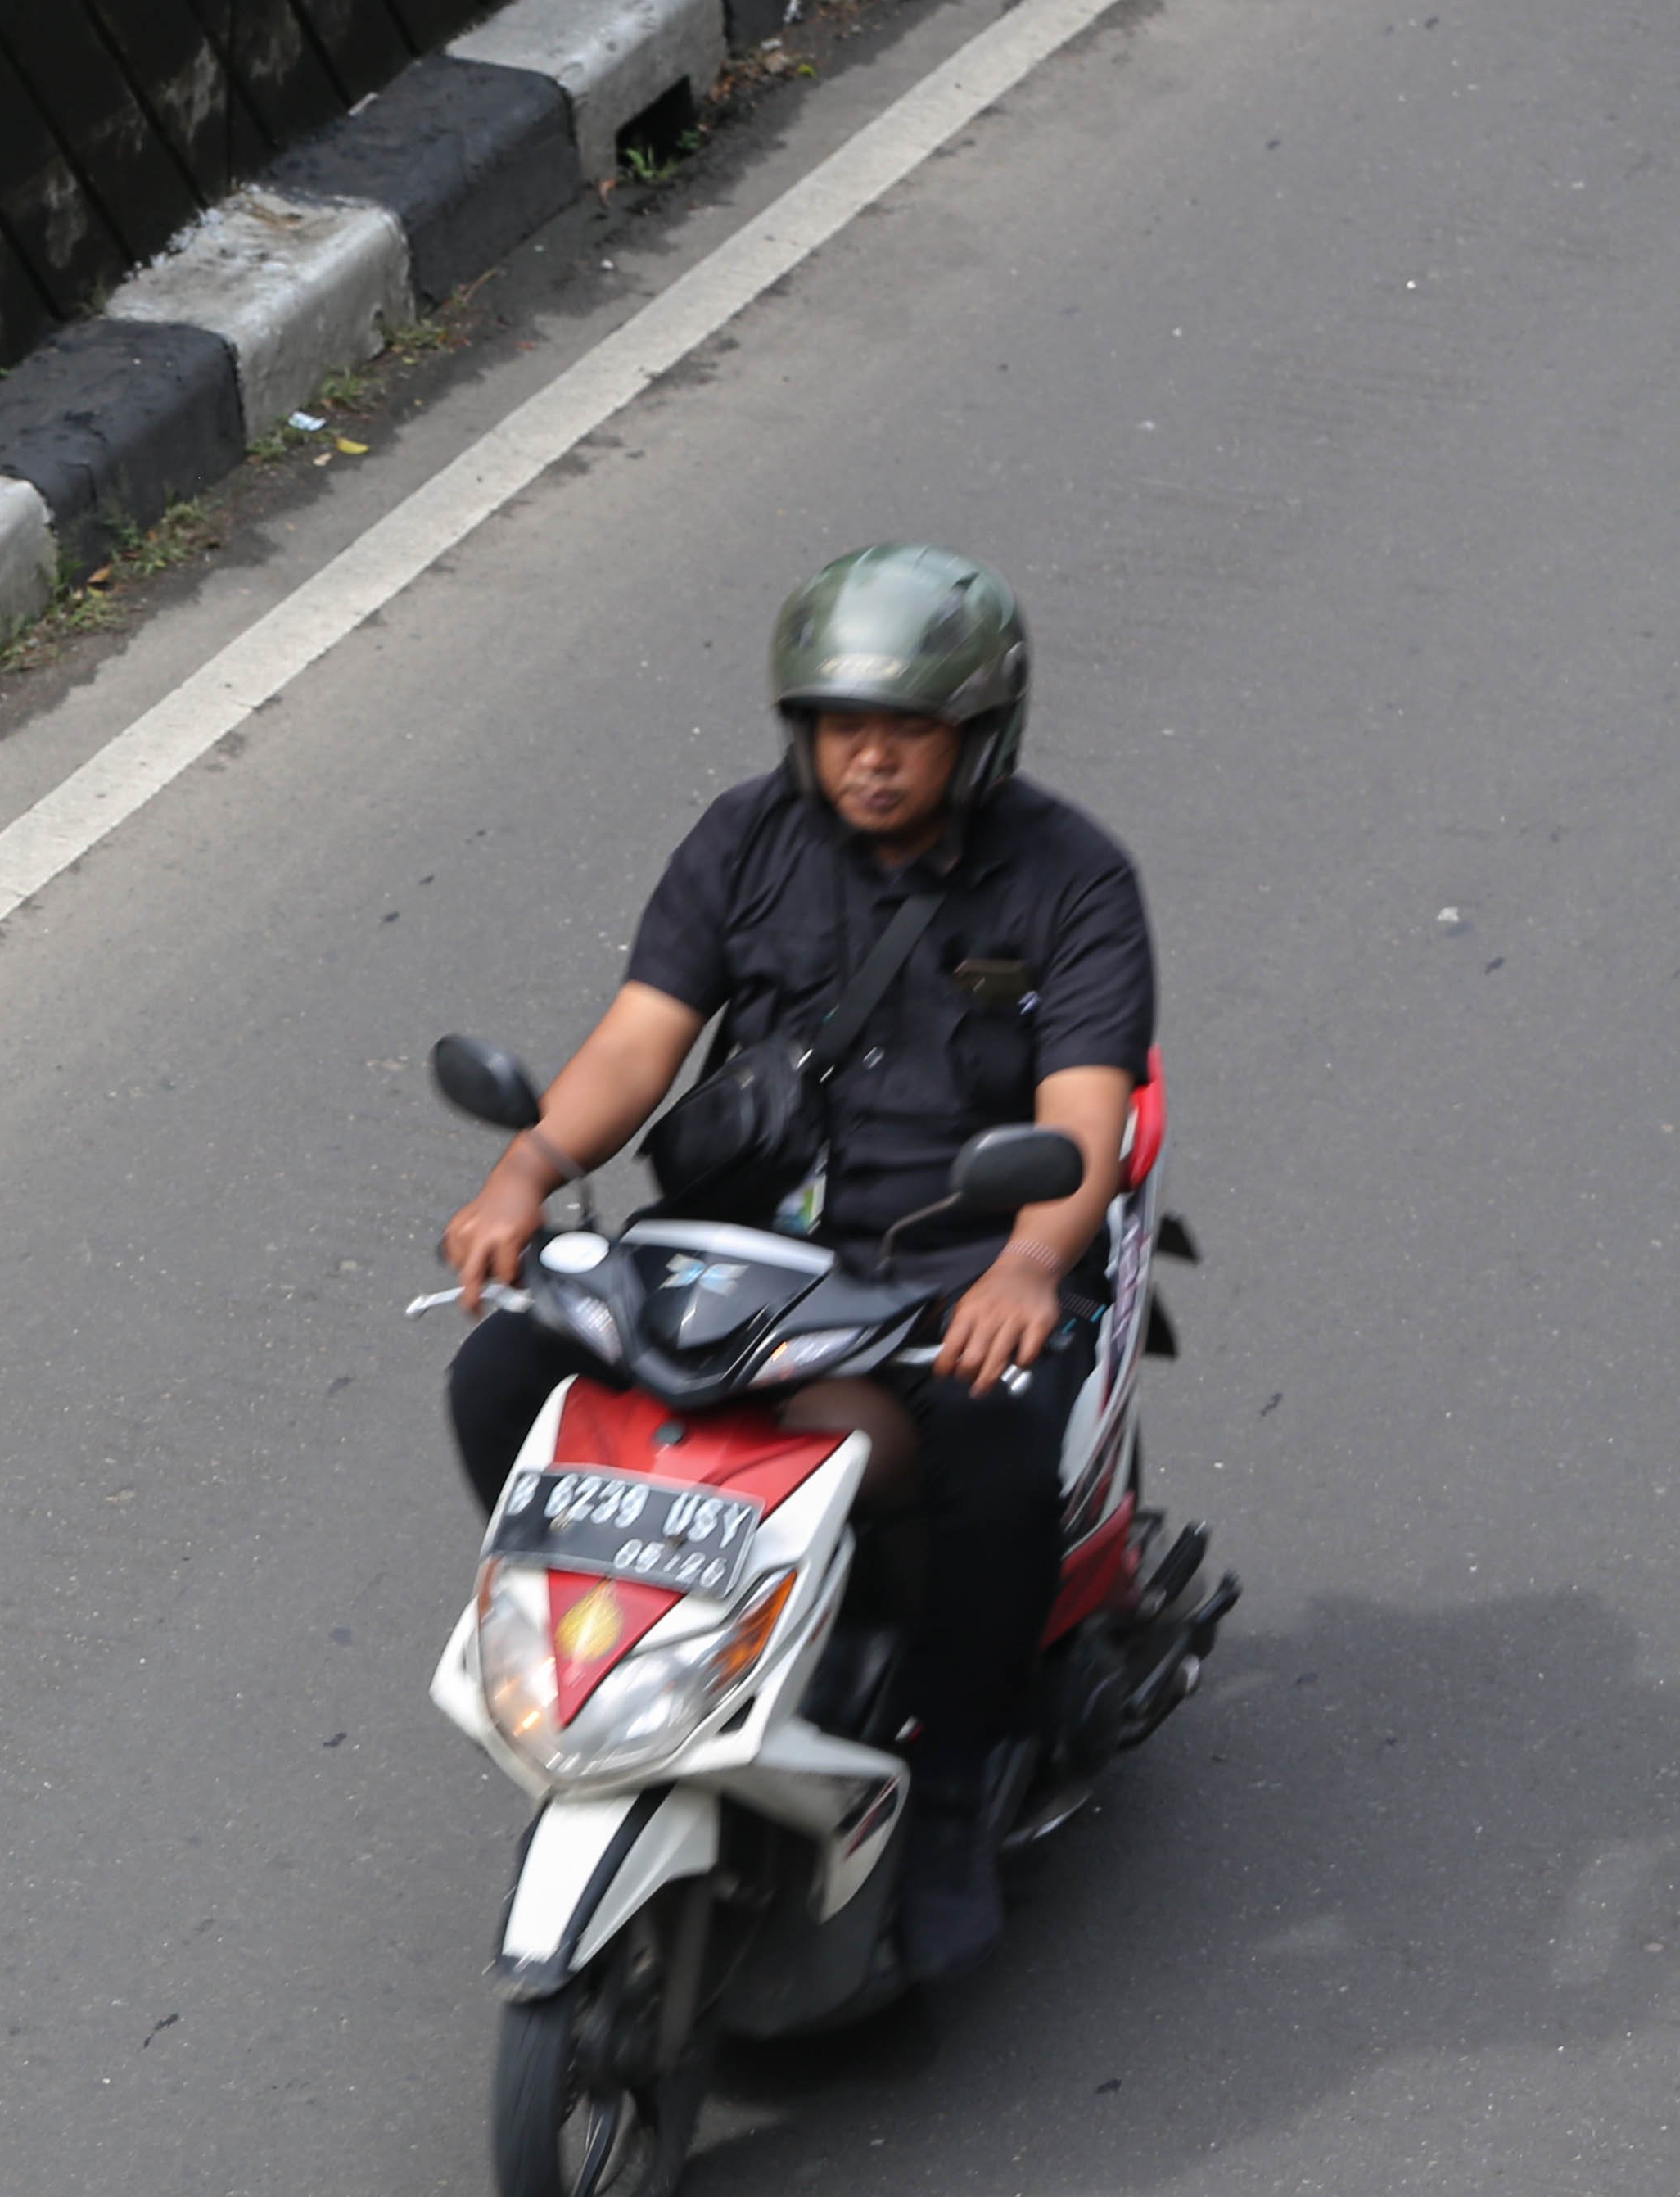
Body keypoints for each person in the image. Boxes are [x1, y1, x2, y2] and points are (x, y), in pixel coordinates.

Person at [436, 546, 1156, 1976]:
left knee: (993, 1445)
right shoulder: (743, 840)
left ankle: (952, 1782)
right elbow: (639, 1040)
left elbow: (1083, 1113)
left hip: (949, 1274)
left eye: (906, 730)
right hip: (740, 1253)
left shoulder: (1071, 879)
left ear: (977, 733)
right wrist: (527, 1169)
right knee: (501, 1372)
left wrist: (1028, 1263)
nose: (869, 758)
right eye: (841, 727)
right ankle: (615, 1655)